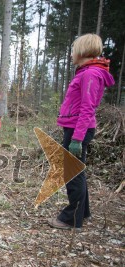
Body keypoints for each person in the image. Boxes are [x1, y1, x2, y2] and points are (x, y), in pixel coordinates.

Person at [48, 34, 114, 231]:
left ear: (83, 51)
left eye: (74, 49)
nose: (71, 55)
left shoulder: (90, 74)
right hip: (75, 127)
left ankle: (71, 218)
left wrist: (77, 138)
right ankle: (83, 212)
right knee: (77, 171)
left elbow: (87, 108)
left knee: (72, 173)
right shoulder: (86, 72)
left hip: (78, 129)